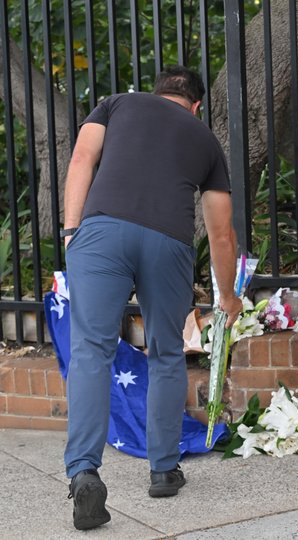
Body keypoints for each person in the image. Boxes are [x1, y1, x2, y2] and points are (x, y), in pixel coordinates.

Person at [62, 65, 242, 530]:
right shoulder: (205, 139)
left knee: (91, 351)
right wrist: (228, 296)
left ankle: (84, 470)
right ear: (196, 105)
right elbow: (221, 233)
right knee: (166, 353)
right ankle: (163, 469)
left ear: (157, 92)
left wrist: (70, 232)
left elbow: (82, 158)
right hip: (169, 243)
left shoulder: (119, 103)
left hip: (102, 231)